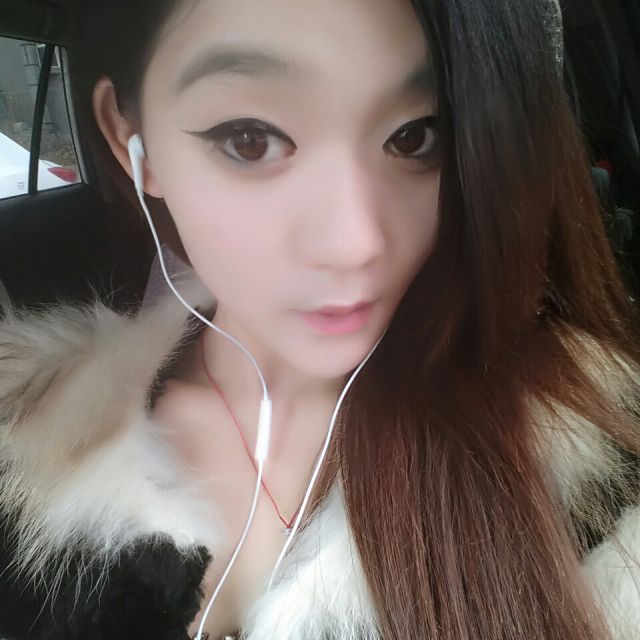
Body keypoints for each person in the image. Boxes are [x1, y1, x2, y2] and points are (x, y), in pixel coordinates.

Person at [1, 0, 639, 638]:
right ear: (129, 138)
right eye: (250, 140)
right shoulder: (27, 453)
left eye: (415, 137)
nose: (355, 243)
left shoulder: (585, 470)